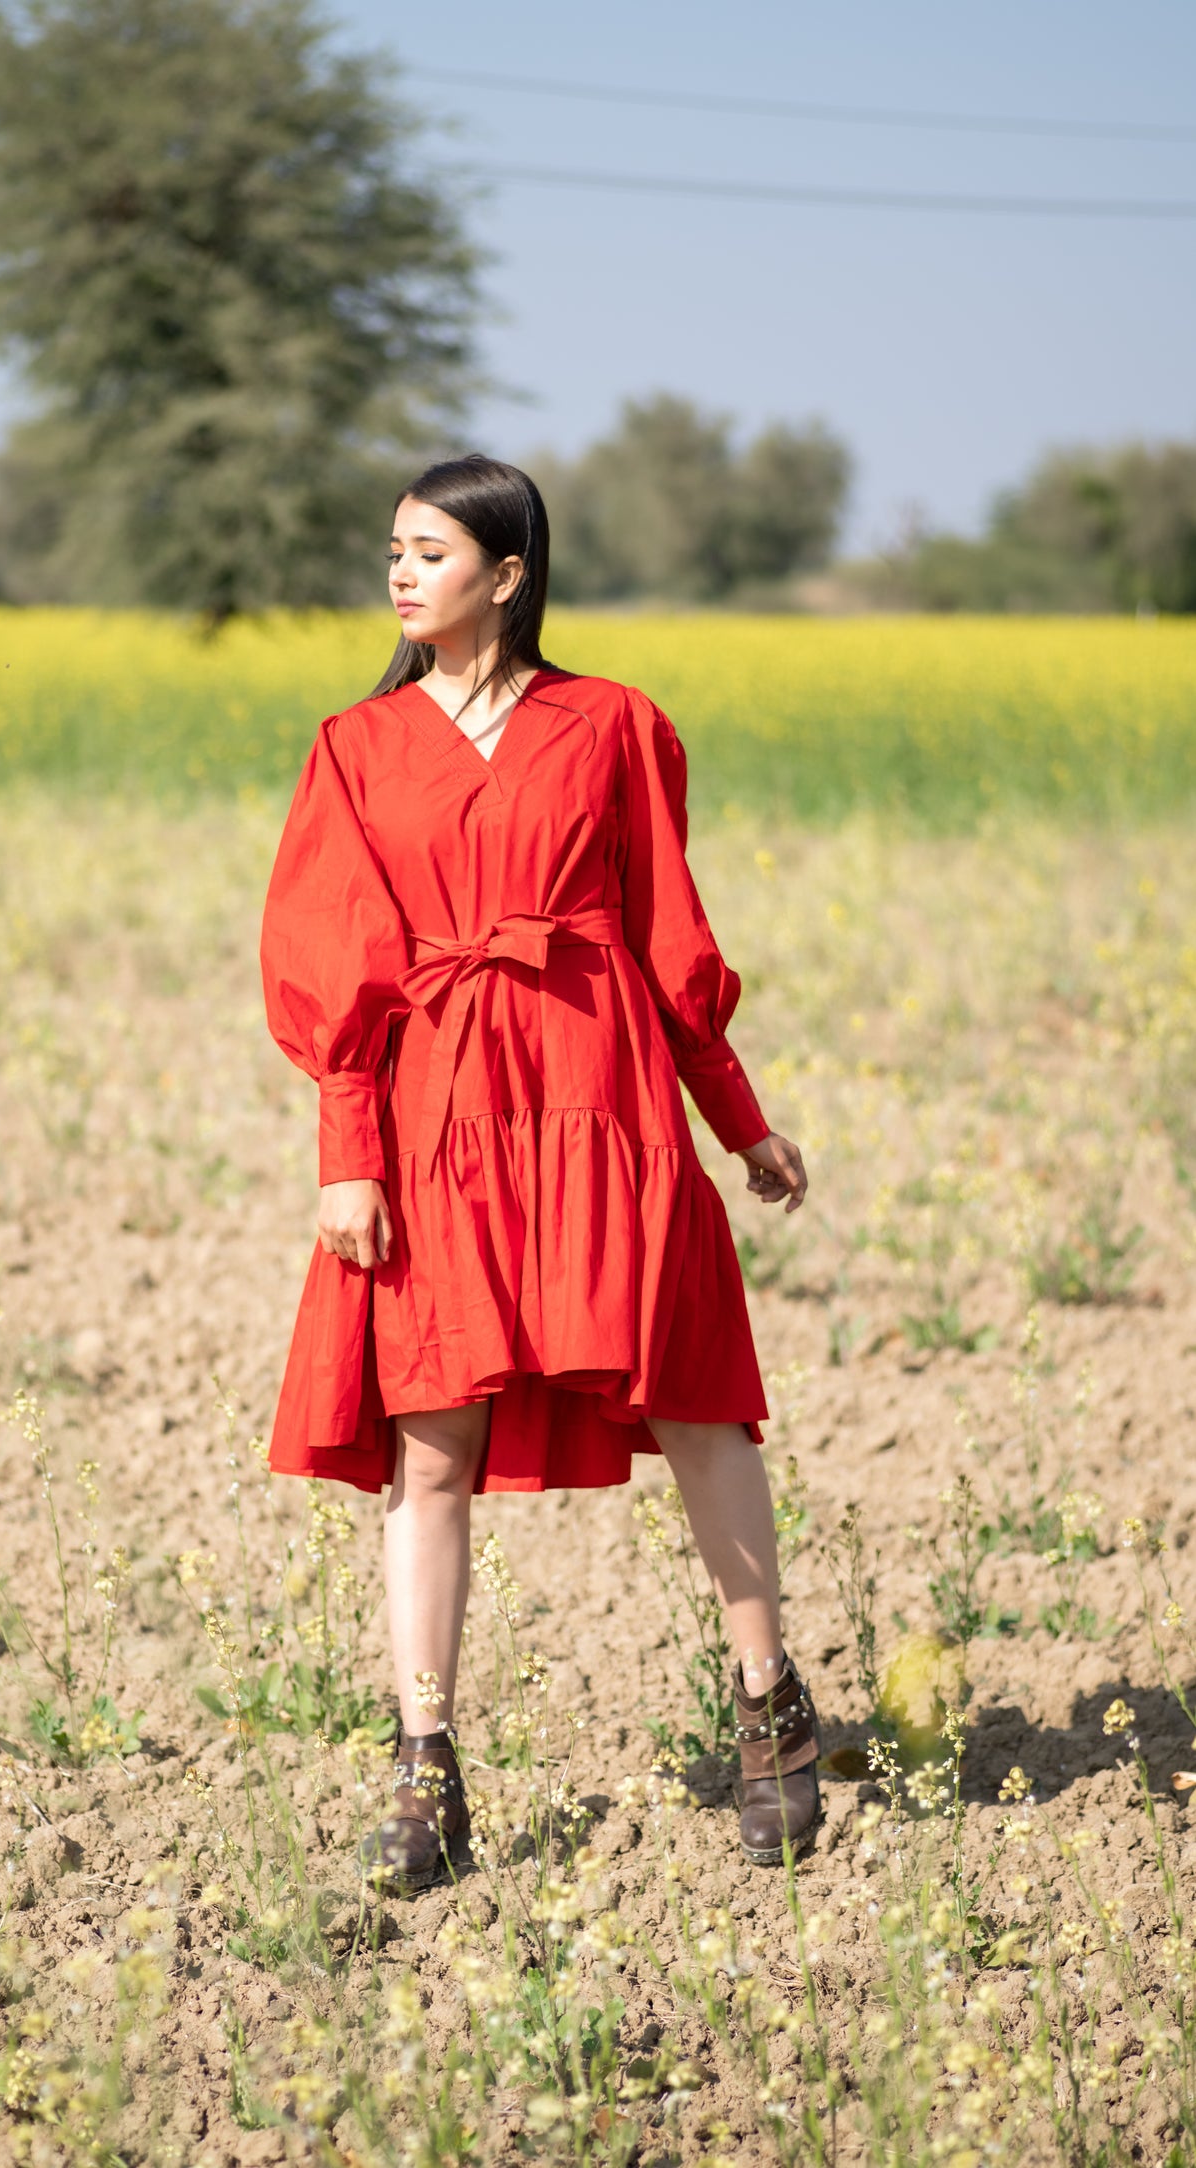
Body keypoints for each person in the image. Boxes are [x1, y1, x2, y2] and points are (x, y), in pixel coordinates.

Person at [259, 454, 820, 1891]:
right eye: (392, 547)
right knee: (429, 1436)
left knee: (694, 1400)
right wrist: (347, 1153)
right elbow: (332, 963)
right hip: (438, 1112)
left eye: (429, 550)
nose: (399, 572)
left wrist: (735, 1112)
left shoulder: (614, 725)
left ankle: (766, 1706)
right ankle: (424, 1769)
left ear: (506, 576)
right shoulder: (354, 745)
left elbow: (668, 937)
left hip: (603, 1098)